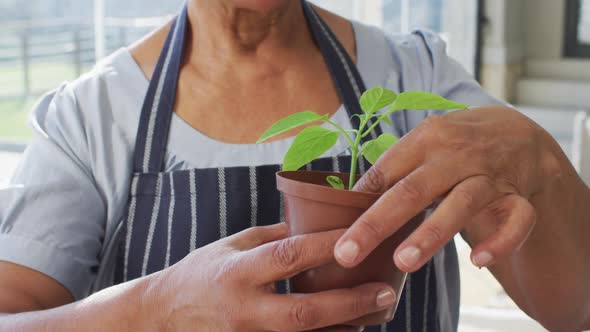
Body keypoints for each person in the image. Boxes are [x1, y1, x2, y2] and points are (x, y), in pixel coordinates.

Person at [0, 0, 588, 331]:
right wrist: (153, 311)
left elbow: (576, 308)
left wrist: (541, 161)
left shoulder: (416, 75)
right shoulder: (92, 113)